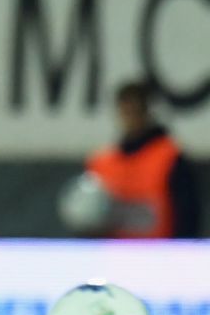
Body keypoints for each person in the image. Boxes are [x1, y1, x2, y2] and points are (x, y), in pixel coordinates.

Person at [82, 81, 200, 238]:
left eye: (135, 111)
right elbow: (87, 220)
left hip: (160, 257)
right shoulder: (100, 163)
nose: (130, 118)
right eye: (125, 111)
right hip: (112, 257)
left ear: (147, 112)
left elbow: (188, 216)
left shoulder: (170, 158)